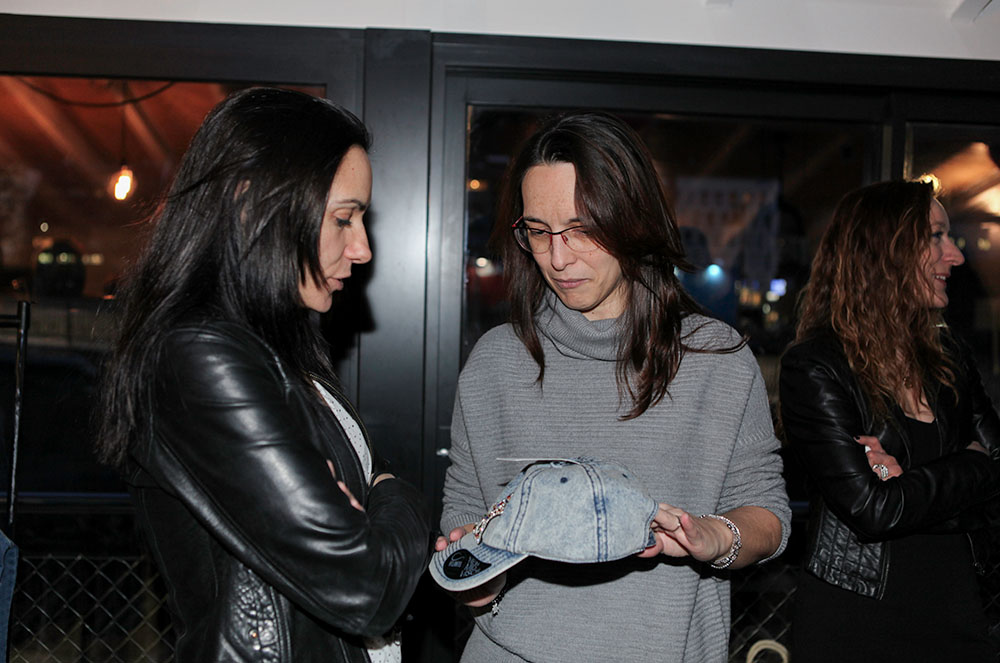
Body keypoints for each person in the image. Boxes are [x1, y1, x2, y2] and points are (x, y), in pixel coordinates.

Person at [436, 111, 790, 662]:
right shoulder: (495, 363)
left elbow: (768, 512)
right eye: (538, 231)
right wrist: (477, 579)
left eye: (581, 229)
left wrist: (717, 537)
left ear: (632, 220)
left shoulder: (715, 360)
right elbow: (466, 505)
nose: (557, 258)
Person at [96, 87, 430, 663]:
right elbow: (364, 586)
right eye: (343, 218)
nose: (362, 248)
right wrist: (398, 495)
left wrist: (369, 512)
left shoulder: (277, 347)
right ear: (252, 204)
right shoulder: (199, 355)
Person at [779, 179, 1000, 662]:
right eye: (936, 237)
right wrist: (973, 465)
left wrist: (911, 484)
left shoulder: (949, 357)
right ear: (886, 253)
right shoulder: (816, 367)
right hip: (856, 620)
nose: (954, 256)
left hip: (959, 612)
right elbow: (873, 510)